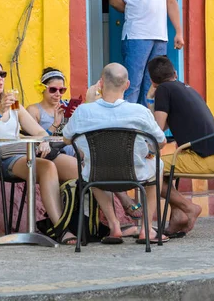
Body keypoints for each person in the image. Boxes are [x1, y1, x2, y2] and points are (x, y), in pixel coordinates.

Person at [0, 59, 77, 245]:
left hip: (27, 153)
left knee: (78, 169)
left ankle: (86, 226)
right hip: (1, 159)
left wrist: (43, 141)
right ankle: (61, 229)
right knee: (47, 167)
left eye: (2, 74)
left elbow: (38, 131)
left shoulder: (14, 105)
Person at [63, 63, 169, 244]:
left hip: (99, 175)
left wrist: (90, 103)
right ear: (127, 85)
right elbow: (161, 141)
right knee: (157, 165)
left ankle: (114, 226)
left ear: (101, 84)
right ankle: (146, 229)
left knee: (91, 166)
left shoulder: (83, 111)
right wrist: (148, 151)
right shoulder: (140, 112)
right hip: (135, 174)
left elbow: (66, 139)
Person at [27, 67, 144, 221]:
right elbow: (35, 140)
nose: (58, 94)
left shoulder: (65, 106)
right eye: (53, 89)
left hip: (74, 152)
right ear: (42, 89)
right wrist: (55, 124)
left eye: (62, 90)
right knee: (93, 171)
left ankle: (114, 222)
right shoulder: (34, 110)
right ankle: (122, 205)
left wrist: (77, 116)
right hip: (50, 156)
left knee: (100, 158)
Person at [147, 56, 214, 236]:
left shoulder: (164, 90)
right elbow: (164, 125)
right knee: (162, 171)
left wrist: (150, 100)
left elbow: (157, 131)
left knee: (149, 168)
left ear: (152, 81)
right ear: (175, 73)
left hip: (202, 159)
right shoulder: (183, 87)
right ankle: (177, 217)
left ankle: (189, 208)